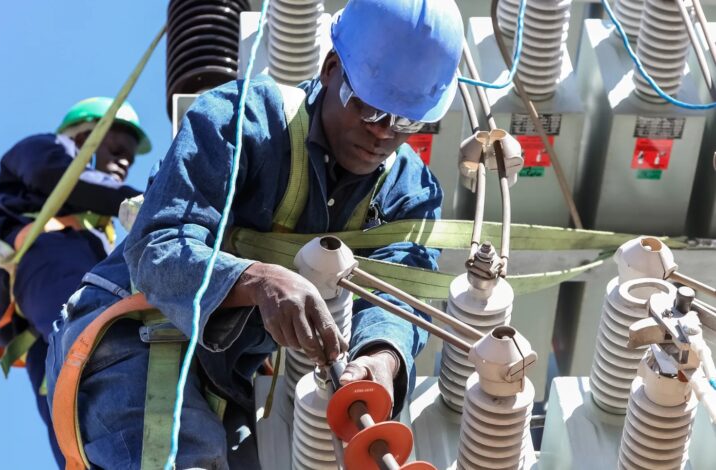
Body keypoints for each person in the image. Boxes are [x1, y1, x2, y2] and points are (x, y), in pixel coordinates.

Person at [47, 0, 464, 468]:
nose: (382, 134)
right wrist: (256, 280)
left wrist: (381, 359)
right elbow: (156, 248)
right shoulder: (244, 119)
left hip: (226, 381)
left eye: (406, 121)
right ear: (331, 69)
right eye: (367, 108)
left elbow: (399, 296)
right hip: (133, 334)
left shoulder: (411, 193)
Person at [0, 97, 150, 467]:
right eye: (117, 149)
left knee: (65, 403)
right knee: (98, 345)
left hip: (40, 316)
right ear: (84, 136)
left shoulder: (97, 228)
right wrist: (149, 199)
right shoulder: (46, 148)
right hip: (50, 265)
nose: (124, 162)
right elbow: (54, 175)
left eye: (129, 158)